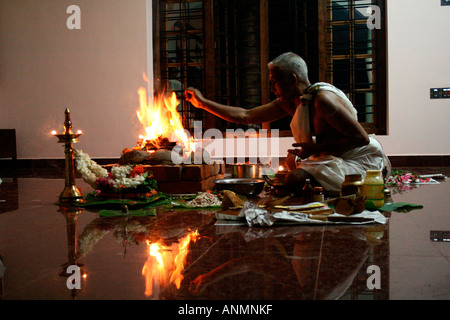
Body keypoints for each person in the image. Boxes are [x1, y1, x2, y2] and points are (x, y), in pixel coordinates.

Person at [185, 52, 389, 194]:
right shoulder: (287, 103)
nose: (272, 87)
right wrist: (203, 103)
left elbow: (361, 138)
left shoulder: (323, 101)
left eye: (275, 81)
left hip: (361, 158)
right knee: (290, 164)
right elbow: (245, 115)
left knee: (293, 179)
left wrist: (316, 148)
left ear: (292, 79)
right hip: (331, 155)